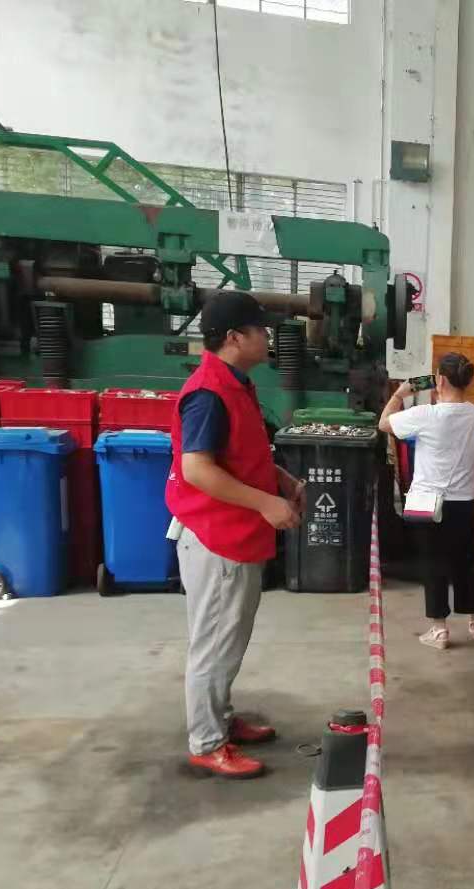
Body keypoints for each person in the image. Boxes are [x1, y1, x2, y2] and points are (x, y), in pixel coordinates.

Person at [166, 291, 305, 779]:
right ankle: (207, 741)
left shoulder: (236, 385)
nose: (268, 336)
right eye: (260, 329)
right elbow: (198, 469)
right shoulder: (208, 393)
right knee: (214, 643)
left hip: (235, 534)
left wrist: (279, 480)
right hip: (217, 536)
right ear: (234, 338)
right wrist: (266, 503)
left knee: (229, 637)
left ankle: (220, 719)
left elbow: (240, 454)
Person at [378, 352, 474, 651]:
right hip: (464, 500)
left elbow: (384, 423)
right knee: (466, 560)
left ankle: (439, 630)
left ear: (439, 380)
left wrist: (400, 394)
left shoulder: (425, 415)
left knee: (433, 562)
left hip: (427, 501)